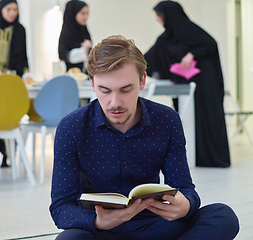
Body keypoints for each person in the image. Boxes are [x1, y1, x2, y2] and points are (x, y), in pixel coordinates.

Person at [50, 35, 239, 240]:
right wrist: (97, 221)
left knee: (223, 216)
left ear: (142, 81)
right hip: (103, 230)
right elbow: (61, 207)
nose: (115, 103)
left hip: (156, 225)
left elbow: (185, 188)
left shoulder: (167, 120)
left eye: (126, 89)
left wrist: (186, 206)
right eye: (105, 90)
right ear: (92, 84)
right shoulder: (71, 127)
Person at [144, 1, 230, 167]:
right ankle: (194, 156)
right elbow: (148, 59)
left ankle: (213, 159)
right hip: (183, 88)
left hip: (204, 86)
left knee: (207, 117)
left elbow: (210, 45)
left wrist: (192, 54)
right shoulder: (165, 39)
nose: (157, 19)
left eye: (159, 16)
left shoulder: (190, 31)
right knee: (188, 120)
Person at [0, 0, 31, 167]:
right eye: (9, 9)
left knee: (10, 116)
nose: (12, 13)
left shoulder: (19, 29)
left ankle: (7, 156)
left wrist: (26, 73)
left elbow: (23, 56)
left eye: (15, 9)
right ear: (1, 9)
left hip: (11, 82)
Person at [58, 0, 92, 73]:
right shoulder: (66, 34)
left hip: (86, 76)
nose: (86, 17)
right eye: (83, 13)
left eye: (87, 14)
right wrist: (83, 50)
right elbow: (63, 56)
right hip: (70, 76)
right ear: (73, 13)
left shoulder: (84, 32)